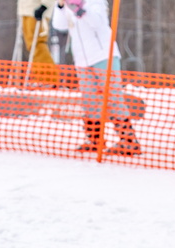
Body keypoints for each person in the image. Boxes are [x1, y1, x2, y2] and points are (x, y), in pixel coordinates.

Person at [54, 0, 140, 155]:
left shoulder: (95, 1)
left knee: (113, 97)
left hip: (103, 55)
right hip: (82, 59)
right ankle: (95, 139)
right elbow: (60, 26)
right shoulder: (67, 4)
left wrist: (80, 10)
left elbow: (97, 22)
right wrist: (61, 7)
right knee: (89, 100)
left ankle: (128, 140)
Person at [19, 0, 59, 86]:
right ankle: (39, 76)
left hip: (36, 10)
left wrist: (44, 6)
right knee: (31, 46)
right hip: (26, 10)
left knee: (37, 44)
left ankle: (49, 78)